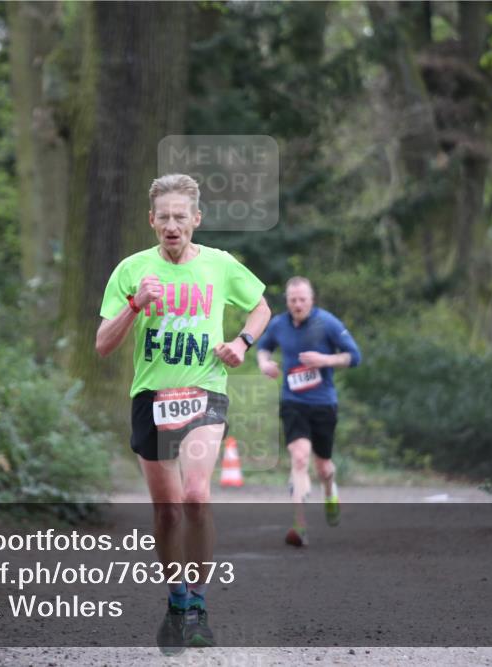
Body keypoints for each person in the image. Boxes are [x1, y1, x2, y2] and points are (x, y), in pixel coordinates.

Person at [96, 173, 270, 653]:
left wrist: (241, 342)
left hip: (204, 390)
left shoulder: (219, 264)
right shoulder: (131, 270)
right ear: (151, 221)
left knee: (195, 496)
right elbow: (103, 345)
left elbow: (260, 308)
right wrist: (135, 305)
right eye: (164, 217)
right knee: (168, 510)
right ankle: (176, 602)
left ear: (197, 219)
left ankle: (198, 606)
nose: (172, 225)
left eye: (181, 217)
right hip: (151, 396)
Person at [256, 277, 361, 547]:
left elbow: (354, 356)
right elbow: (263, 348)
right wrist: (265, 364)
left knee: (323, 466)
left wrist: (325, 359)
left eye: (302, 299)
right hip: (293, 402)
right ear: (287, 301)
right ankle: (299, 524)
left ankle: (330, 491)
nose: (298, 304)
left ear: (311, 299)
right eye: (293, 300)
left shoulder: (327, 323)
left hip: (323, 403)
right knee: (300, 457)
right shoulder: (279, 324)